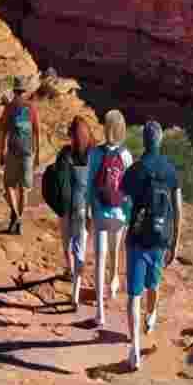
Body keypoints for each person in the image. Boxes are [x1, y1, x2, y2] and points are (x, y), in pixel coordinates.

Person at [121, 120, 183, 371]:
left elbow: (123, 200)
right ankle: (151, 316)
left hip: (137, 239)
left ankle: (134, 349)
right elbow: (177, 209)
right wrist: (175, 242)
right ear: (160, 141)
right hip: (160, 238)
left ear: (144, 141)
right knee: (154, 284)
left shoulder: (135, 170)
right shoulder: (170, 170)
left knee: (133, 295)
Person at [85, 109, 133, 328]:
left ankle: (100, 313)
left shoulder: (95, 153)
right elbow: (130, 188)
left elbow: (89, 185)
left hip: (100, 212)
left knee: (100, 258)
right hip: (119, 212)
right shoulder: (126, 155)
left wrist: (88, 210)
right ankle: (113, 283)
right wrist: (129, 214)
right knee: (115, 251)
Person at [0, 75, 41, 234]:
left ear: (14, 90)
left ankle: (15, 215)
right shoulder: (31, 107)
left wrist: (1, 152)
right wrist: (37, 153)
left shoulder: (9, 107)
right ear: (24, 91)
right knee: (24, 189)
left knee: (9, 185)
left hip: (13, 151)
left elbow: (2, 132)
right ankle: (19, 221)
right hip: (28, 152)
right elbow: (37, 131)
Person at [56, 116, 94, 309]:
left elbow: (60, 182)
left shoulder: (65, 154)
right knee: (81, 248)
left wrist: (61, 209)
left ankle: (69, 270)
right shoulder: (94, 155)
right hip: (85, 208)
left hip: (67, 207)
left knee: (67, 243)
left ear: (72, 135)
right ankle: (75, 294)